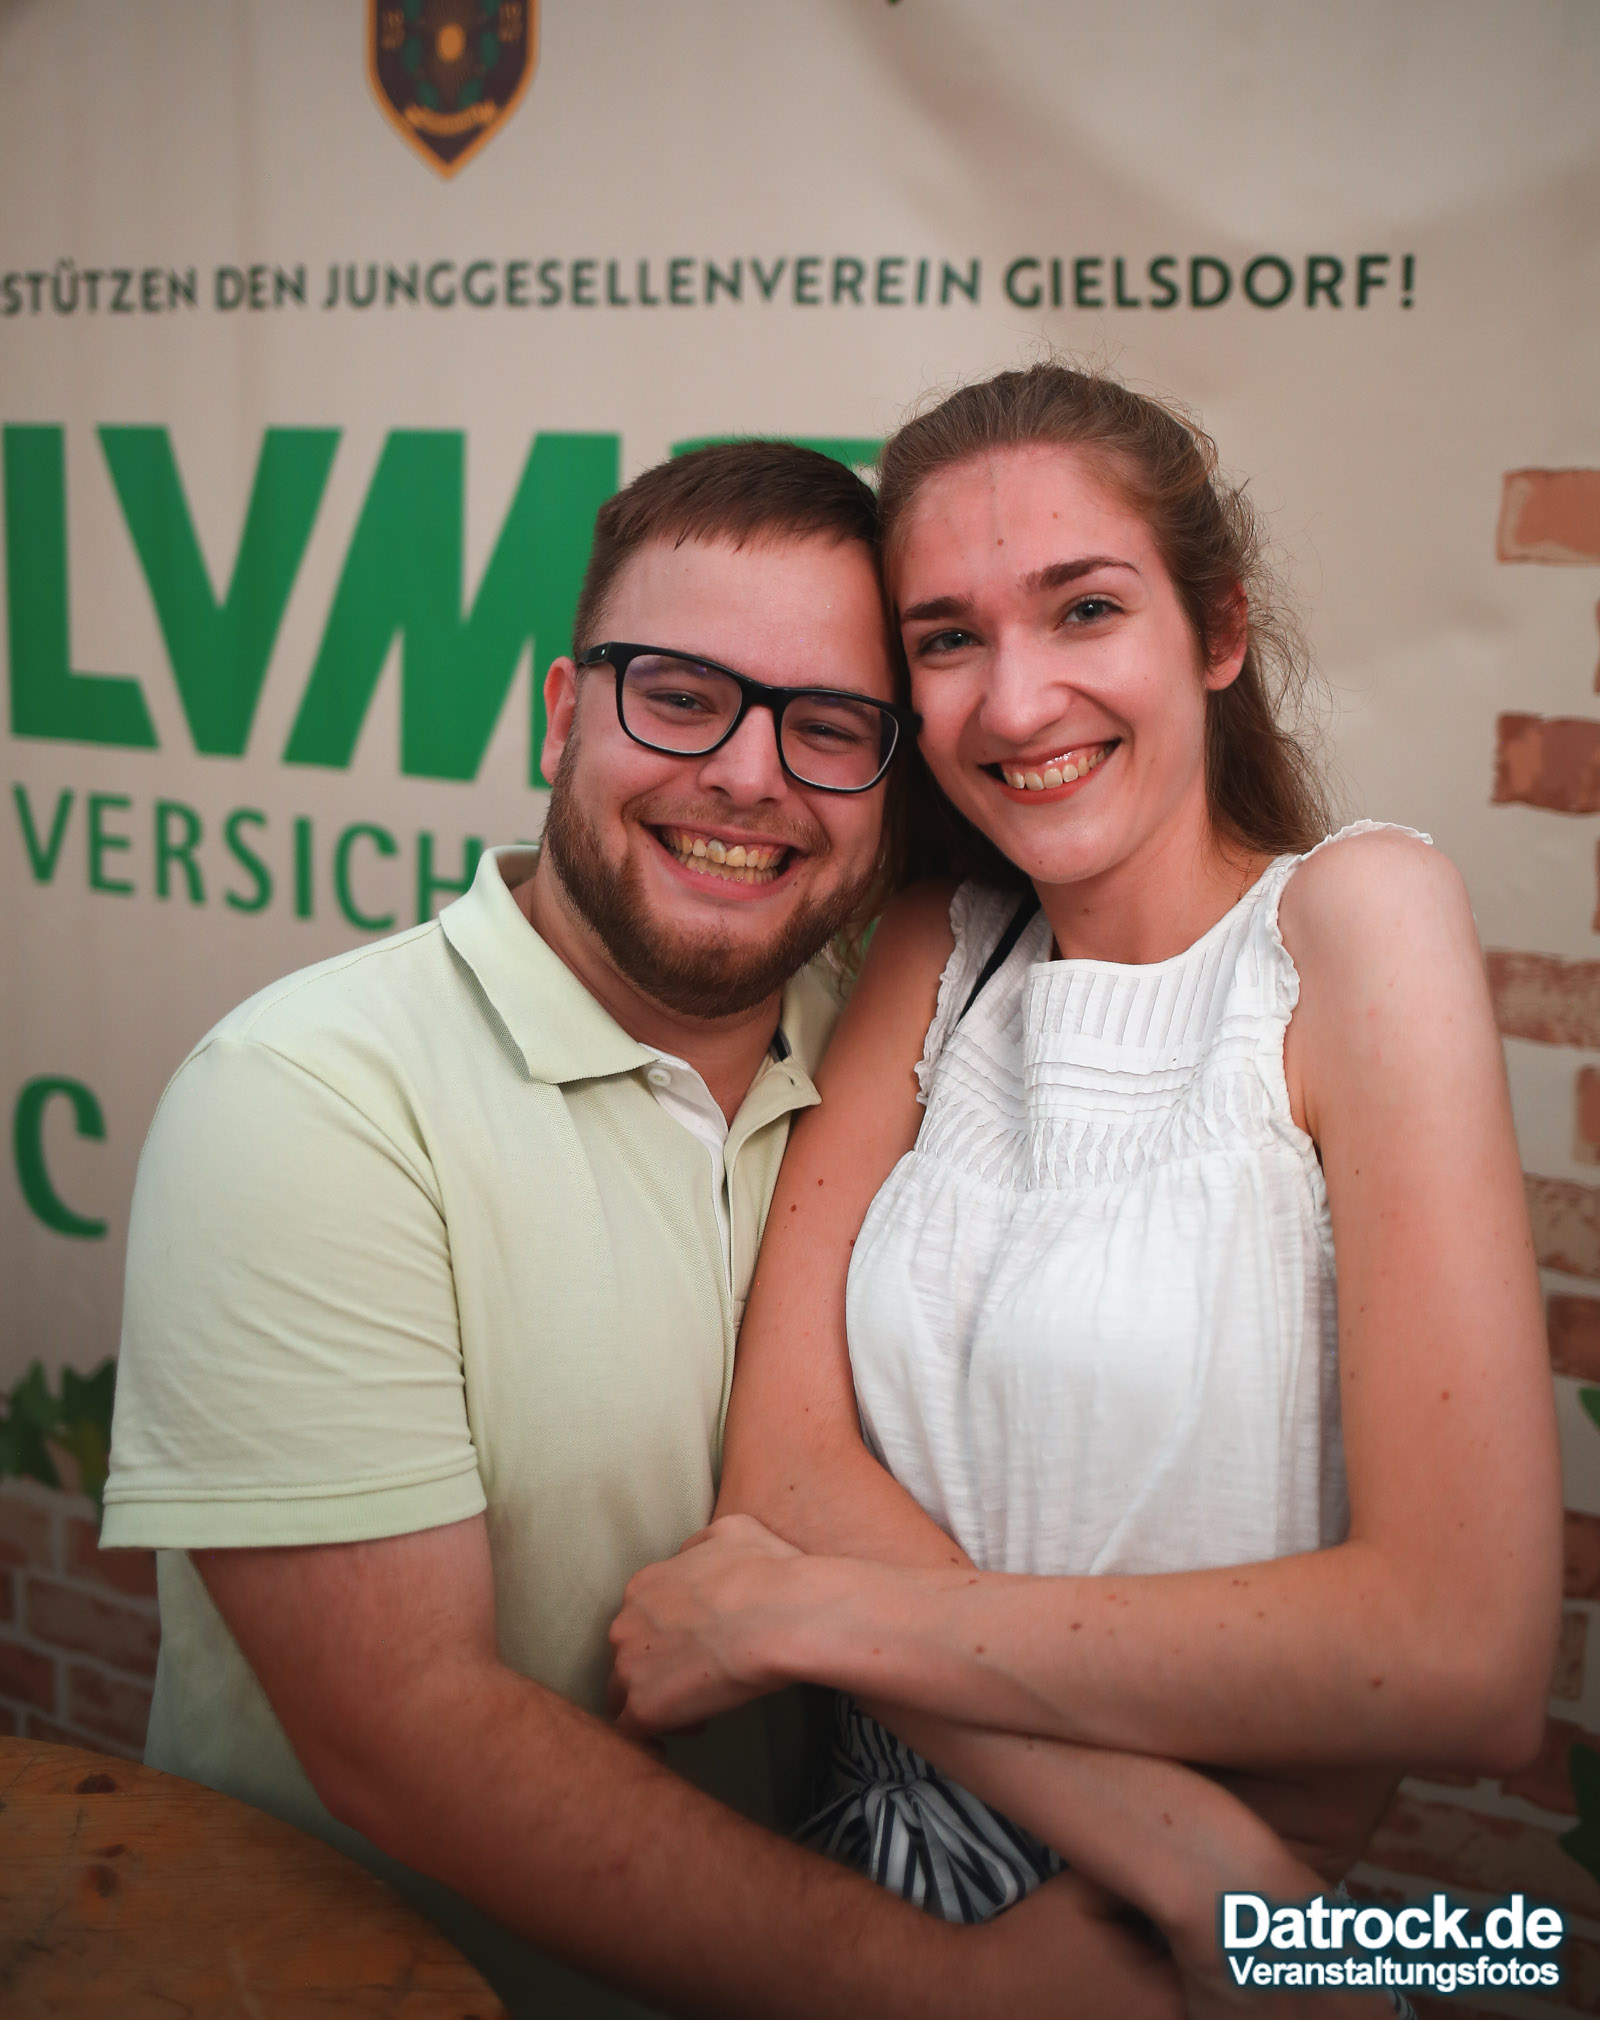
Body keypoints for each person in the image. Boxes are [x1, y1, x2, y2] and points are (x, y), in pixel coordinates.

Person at [100, 439, 1188, 2020]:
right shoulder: (306, 1098)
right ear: (563, 714)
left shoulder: (920, 1071)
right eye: (678, 696)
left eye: (829, 727)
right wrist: (953, 1988)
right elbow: (404, 1731)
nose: (748, 774)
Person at [608, 367, 1564, 2011]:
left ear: (1218, 630)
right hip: (909, 1916)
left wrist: (797, 1616)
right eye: (948, 639)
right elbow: (783, 1467)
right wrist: (1198, 1863)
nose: (1016, 701)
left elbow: (1460, 1656)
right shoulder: (940, 945)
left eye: (1085, 609)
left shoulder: (1355, 921)